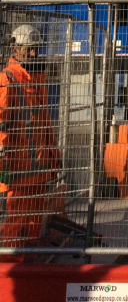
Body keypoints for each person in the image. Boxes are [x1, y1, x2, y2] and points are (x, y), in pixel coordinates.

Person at [0, 24, 61, 259]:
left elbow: (45, 123)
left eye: (37, 48)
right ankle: (8, 268)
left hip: (39, 167)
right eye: (30, 49)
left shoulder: (36, 79)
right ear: (16, 48)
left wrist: (53, 159)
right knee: (17, 220)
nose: (35, 53)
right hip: (20, 168)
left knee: (34, 219)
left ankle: (28, 261)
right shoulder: (8, 80)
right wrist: (3, 163)